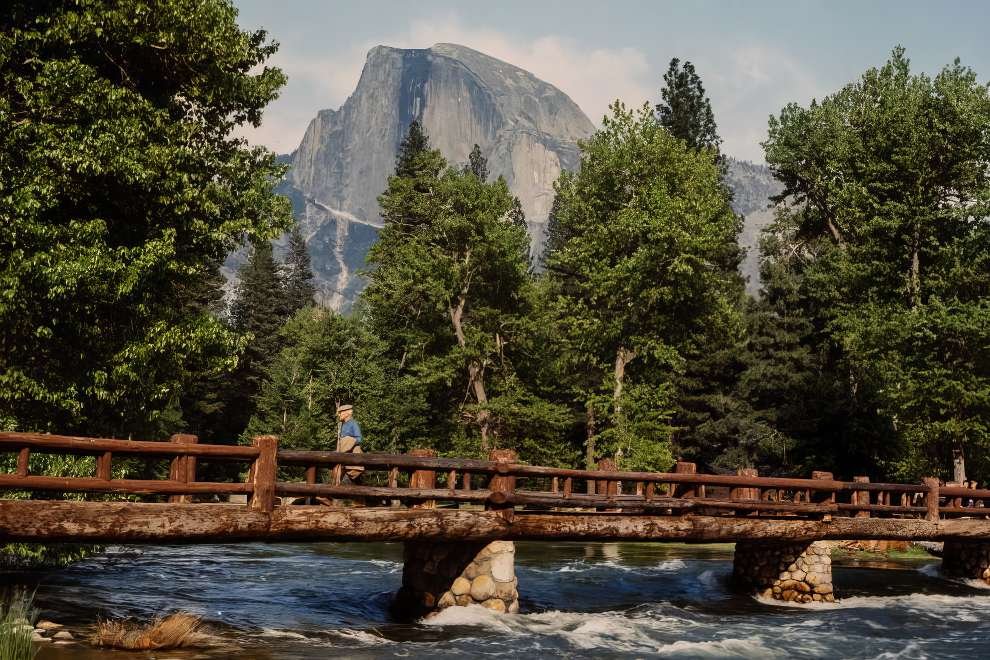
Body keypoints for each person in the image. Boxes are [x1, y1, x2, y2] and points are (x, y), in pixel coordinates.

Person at [336, 404, 364, 482]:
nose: (339, 415)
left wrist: (348, 441)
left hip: (352, 458)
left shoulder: (353, 423)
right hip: (344, 459)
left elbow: (359, 439)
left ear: (347, 413)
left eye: (340, 412)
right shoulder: (343, 425)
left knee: (349, 482)